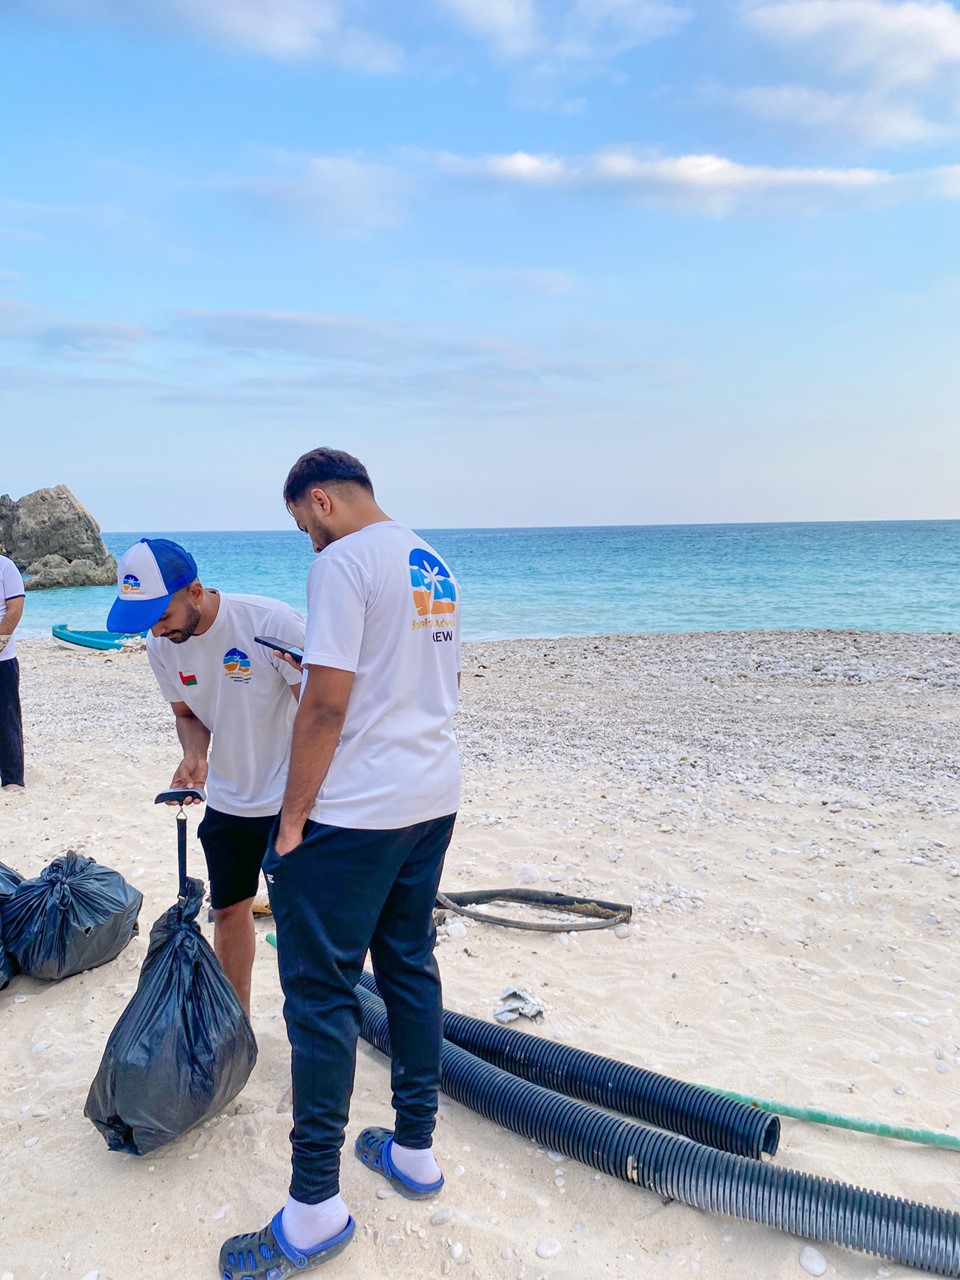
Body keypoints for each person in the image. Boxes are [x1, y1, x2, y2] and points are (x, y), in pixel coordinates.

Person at [221, 449, 461, 1278]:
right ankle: (416, 1152)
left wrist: (290, 824)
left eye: (302, 526)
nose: (307, 544)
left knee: (320, 995)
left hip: (357, 811)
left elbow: (325, 701)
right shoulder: (430, 556)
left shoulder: (344, 563)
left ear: (320, 501)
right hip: (433, 796)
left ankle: (315, 1208)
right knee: (407, 965)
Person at [106, 538, 304, 1014]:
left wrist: (314, 797)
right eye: (147, 618)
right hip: (231, 800)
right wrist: (196, 755)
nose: (155, 627)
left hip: (295, 800)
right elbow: (187, 713)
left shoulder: (269, 623)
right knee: (230, 910)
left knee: (302, 922)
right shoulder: (162, 645)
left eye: (162, 613)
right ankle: (234, 1024)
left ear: (194, 591)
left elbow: (322, 709)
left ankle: (310, 1032)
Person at [0, 554, 26, 792]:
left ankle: (12, 779)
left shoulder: (6, 567)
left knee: (6, 718)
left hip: (2, 658)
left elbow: (15, 609)